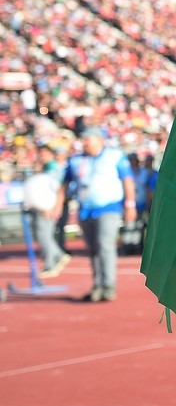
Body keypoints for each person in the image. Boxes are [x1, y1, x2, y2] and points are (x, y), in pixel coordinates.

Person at [50, 127, 137, 301]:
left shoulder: (115, 156)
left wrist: (130, 205)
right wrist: (57, 206)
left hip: (109, 208)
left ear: (99, 140)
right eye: (83, 139)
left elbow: (127, 180)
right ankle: (97, 285)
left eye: (88, 138)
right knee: (93, 249)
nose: (85, 142)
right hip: (85, 210)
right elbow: (64, 184)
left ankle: (109, 286)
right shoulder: (76, 160)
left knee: (105, 245)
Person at [22, 144, 71, 278]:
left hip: (48, 207)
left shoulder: (53, 168)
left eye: (44, 154)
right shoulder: (45, 168)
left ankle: (52, 262)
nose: (41, 157)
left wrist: (53, 206)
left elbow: (57, 189)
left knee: (44, 235)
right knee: (43, 235)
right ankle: (56, 257)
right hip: (42, 206)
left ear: (51, 154)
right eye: (40, 154)